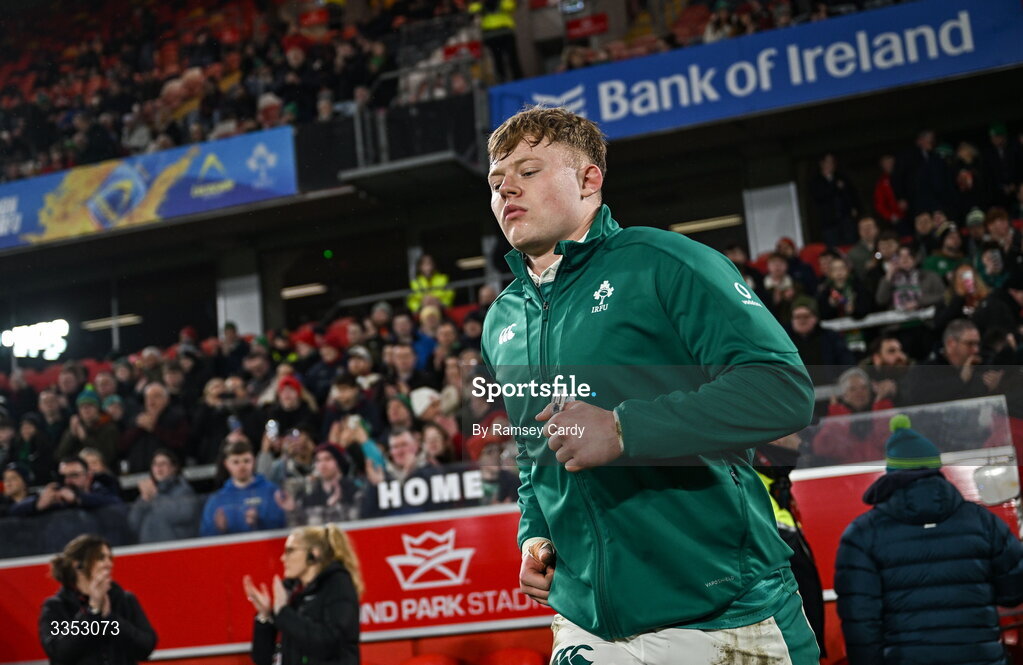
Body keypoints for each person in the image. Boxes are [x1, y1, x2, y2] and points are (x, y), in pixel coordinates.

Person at [482, 107, 818, 662]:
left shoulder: (665, 262)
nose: (506, 189)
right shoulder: (502, 321)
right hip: (586, 623)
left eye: (529, 170)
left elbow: (782, 389)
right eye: (496, 182)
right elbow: (533, 453)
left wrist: (622, 428)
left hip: (723, 616)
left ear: (590, 180)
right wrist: (535, 536)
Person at [835, 416, 1023, 664]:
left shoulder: (862, 534)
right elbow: (1013, 591)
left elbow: (860, 622)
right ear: (935, 467)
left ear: (892, 472)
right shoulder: (982, 522)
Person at [243, 524, 362, 665]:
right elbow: (262, 659)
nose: (282, 558)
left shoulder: (338, 584)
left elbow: (330, 644)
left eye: (290, 551)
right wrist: (265, 616)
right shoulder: (292, 593)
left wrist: (283, 611)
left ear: (314, 553)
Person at [39, 534, 157, 665]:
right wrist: (92, 612)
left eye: (109, 558)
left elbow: (145, 647)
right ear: (78, 565)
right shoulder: (56, 606)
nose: (109, 564)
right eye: (101, 558)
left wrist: (110, 619)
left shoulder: (125, 600)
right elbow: (59, 653)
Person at [201, 439, 285, 536]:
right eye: (236, 462)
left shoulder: (271, 491)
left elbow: (283, 525)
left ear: (253, 460)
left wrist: (260, 520)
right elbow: (205, 535)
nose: (242, 466)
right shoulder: (217, 500)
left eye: (246, 461)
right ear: (226, 464)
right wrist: (218, 528)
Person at [128, 449, 199, 543]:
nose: (158, 468)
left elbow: (185, 514)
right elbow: (133, 524)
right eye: (155, 464)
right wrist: (144, 500)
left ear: (174, 468)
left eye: (163, 464)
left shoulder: (184, 490)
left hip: (174, 550)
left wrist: (155, 497)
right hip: (149, 551)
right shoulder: (149, 493)